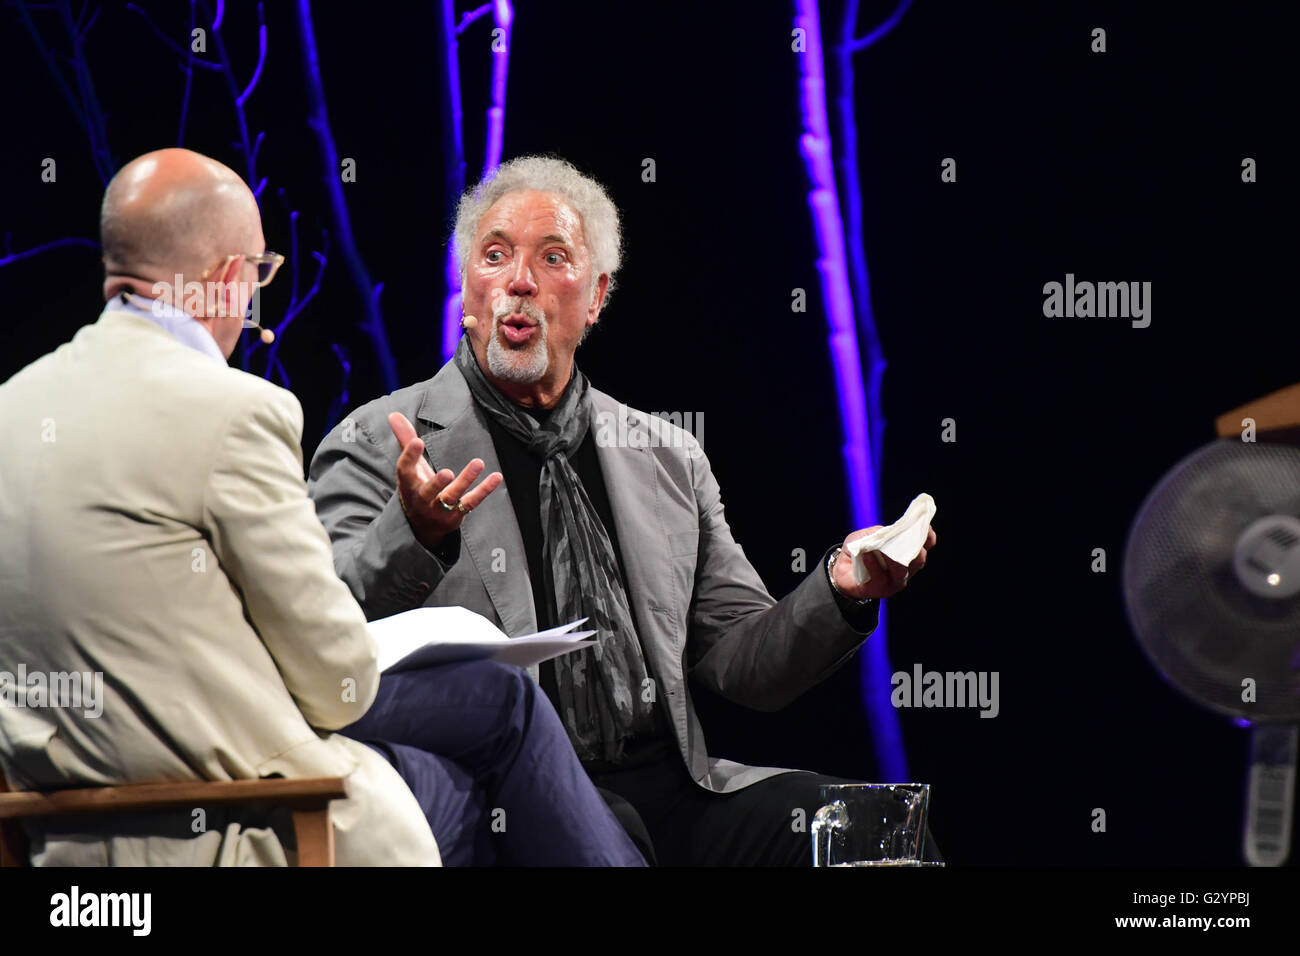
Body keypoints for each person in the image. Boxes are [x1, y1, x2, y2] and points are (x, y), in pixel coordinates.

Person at [0, 148, 643, 866]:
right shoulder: (235, 411)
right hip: (218, 812)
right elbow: (332, 680)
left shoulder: (13, 407)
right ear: (223, 279)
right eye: (259, 275)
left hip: (52, 826)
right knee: (480, 755)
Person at [308, 155, 940, 865]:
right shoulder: (379, 440)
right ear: (469, 292)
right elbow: (313, 630)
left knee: (885, 837)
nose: (519, 281)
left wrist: (841, 587)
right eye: (495, 257)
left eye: (553, 258)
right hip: (520, 804)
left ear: (597, 295)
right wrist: (413, 535)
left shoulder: (664, 456)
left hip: (678, 795)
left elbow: (744, 665)